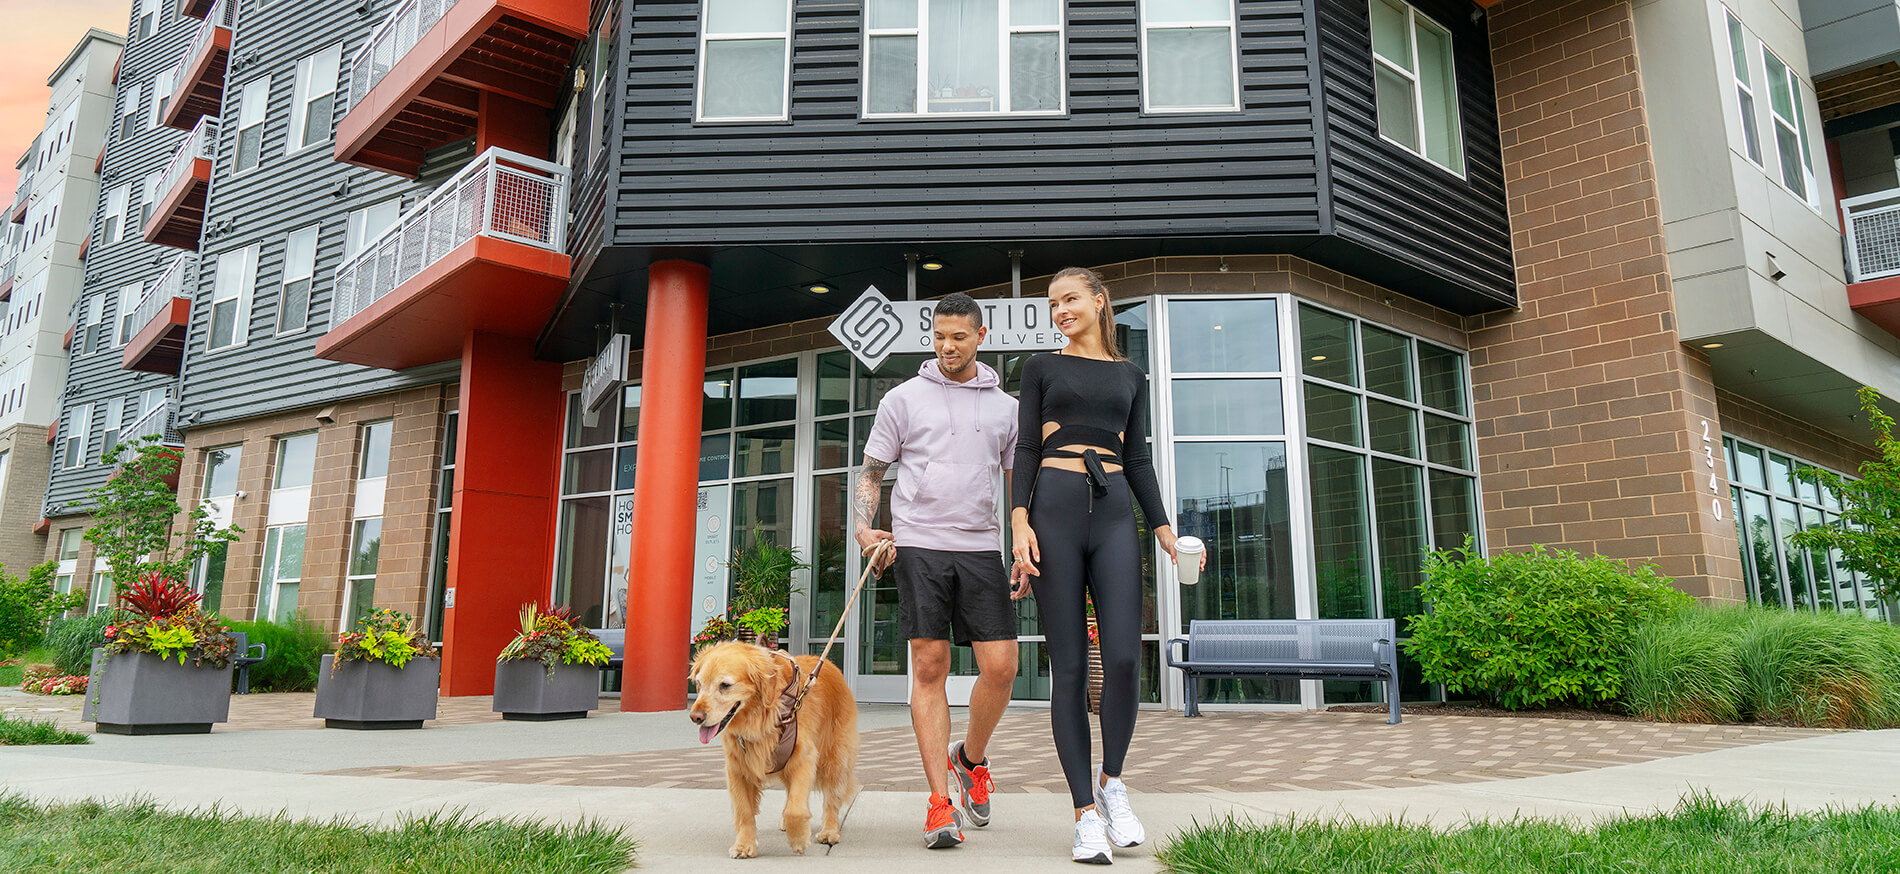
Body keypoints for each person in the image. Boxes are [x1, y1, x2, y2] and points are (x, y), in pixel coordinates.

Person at [1010, 267, 1204, 865]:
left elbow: (1138, 457)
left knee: (1122, 658)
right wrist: (1018, 523)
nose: (1060, 310)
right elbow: (1024, 448)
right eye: (1052, 303)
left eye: (1071, 299)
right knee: (1068, 667)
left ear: (1099, 300)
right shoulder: (1041, 368)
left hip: (1117, 510)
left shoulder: (1131, 375)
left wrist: (1165, 531)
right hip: (1054, 512)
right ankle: (1083, 815)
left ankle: (1112, 782)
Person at [855, 292, 1023, 850]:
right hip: (919, 544)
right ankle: (937, 802)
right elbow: (873, 472)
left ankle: (970, 760)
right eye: (939, 336)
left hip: (981, 548)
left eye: (958, 336)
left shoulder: (1006, 408)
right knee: (929, 665)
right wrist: (864, 529)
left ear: (980, 336)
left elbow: (1018, 486)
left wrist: (1023, 547)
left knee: (1001, 666)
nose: (947, 346)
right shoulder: (902, 399)